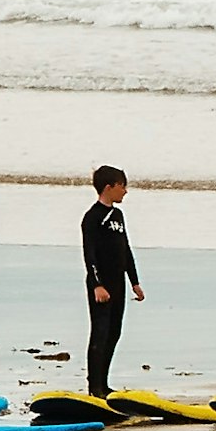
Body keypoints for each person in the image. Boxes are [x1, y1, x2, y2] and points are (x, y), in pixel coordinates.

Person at [80, 167, 140, 396]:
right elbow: (90, 254)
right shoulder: (92, 217)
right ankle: (94, 386)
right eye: (122, 186)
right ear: (109, 187)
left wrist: (134, 281)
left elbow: (125, 250)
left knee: (114, 332)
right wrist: (97, 285)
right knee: (100, 333)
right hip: (100, 286)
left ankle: (103, 383)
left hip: (118, 284)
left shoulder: (118, 216)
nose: (125, 191)